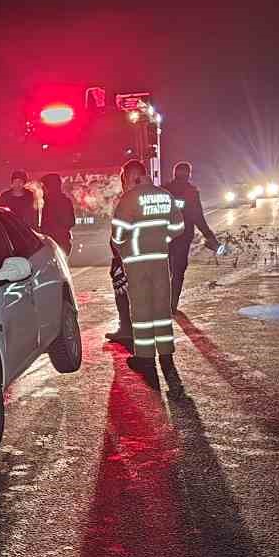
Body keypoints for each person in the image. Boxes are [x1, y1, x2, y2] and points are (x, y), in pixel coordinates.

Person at [107, 159, 186, 394]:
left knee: (141, 313)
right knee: (161, 312)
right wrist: (160, 239)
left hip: (136, 263)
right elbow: (178, 228)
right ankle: (167, 361)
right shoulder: (165, 195)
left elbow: (118, 235)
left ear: (130, 177)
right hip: (160, 261)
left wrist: (128, 248)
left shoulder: (129, 199)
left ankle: (146, 362)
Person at [163, 161, 220, 312]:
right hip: (183, 236)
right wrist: (209, 236)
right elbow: (197, 216)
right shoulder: (191, 192)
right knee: (178, 271)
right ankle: (172, 304)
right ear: (189, 174)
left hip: (164, 236)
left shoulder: (164, 190)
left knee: (164, 270)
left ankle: (164, 302)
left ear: (174, 173)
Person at [38, 172, 75, 254]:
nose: (42, 188)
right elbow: (71, 222)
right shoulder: (65, 201)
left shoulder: (47, 203)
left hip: (54, 243)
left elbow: (70, 221)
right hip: (61, 241)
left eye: (44, 186)